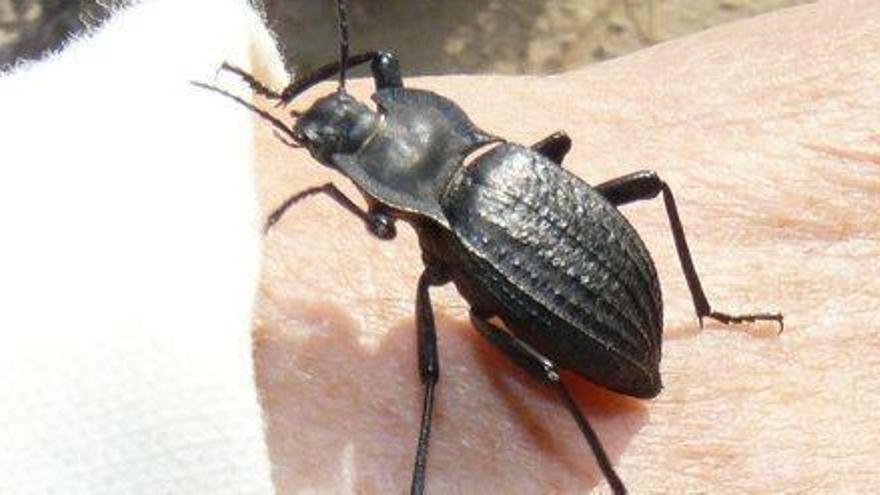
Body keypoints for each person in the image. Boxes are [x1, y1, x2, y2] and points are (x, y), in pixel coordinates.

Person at [2, 0, 877, 493]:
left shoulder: (418, 222)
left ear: (383, 198)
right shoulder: (451, 150)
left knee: (531, 373)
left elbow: (394, 253)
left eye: (333, 152)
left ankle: (619, 467)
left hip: (587, 314)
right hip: (536, 222)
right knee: (636, 192)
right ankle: (707, 311)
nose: (333, 130)